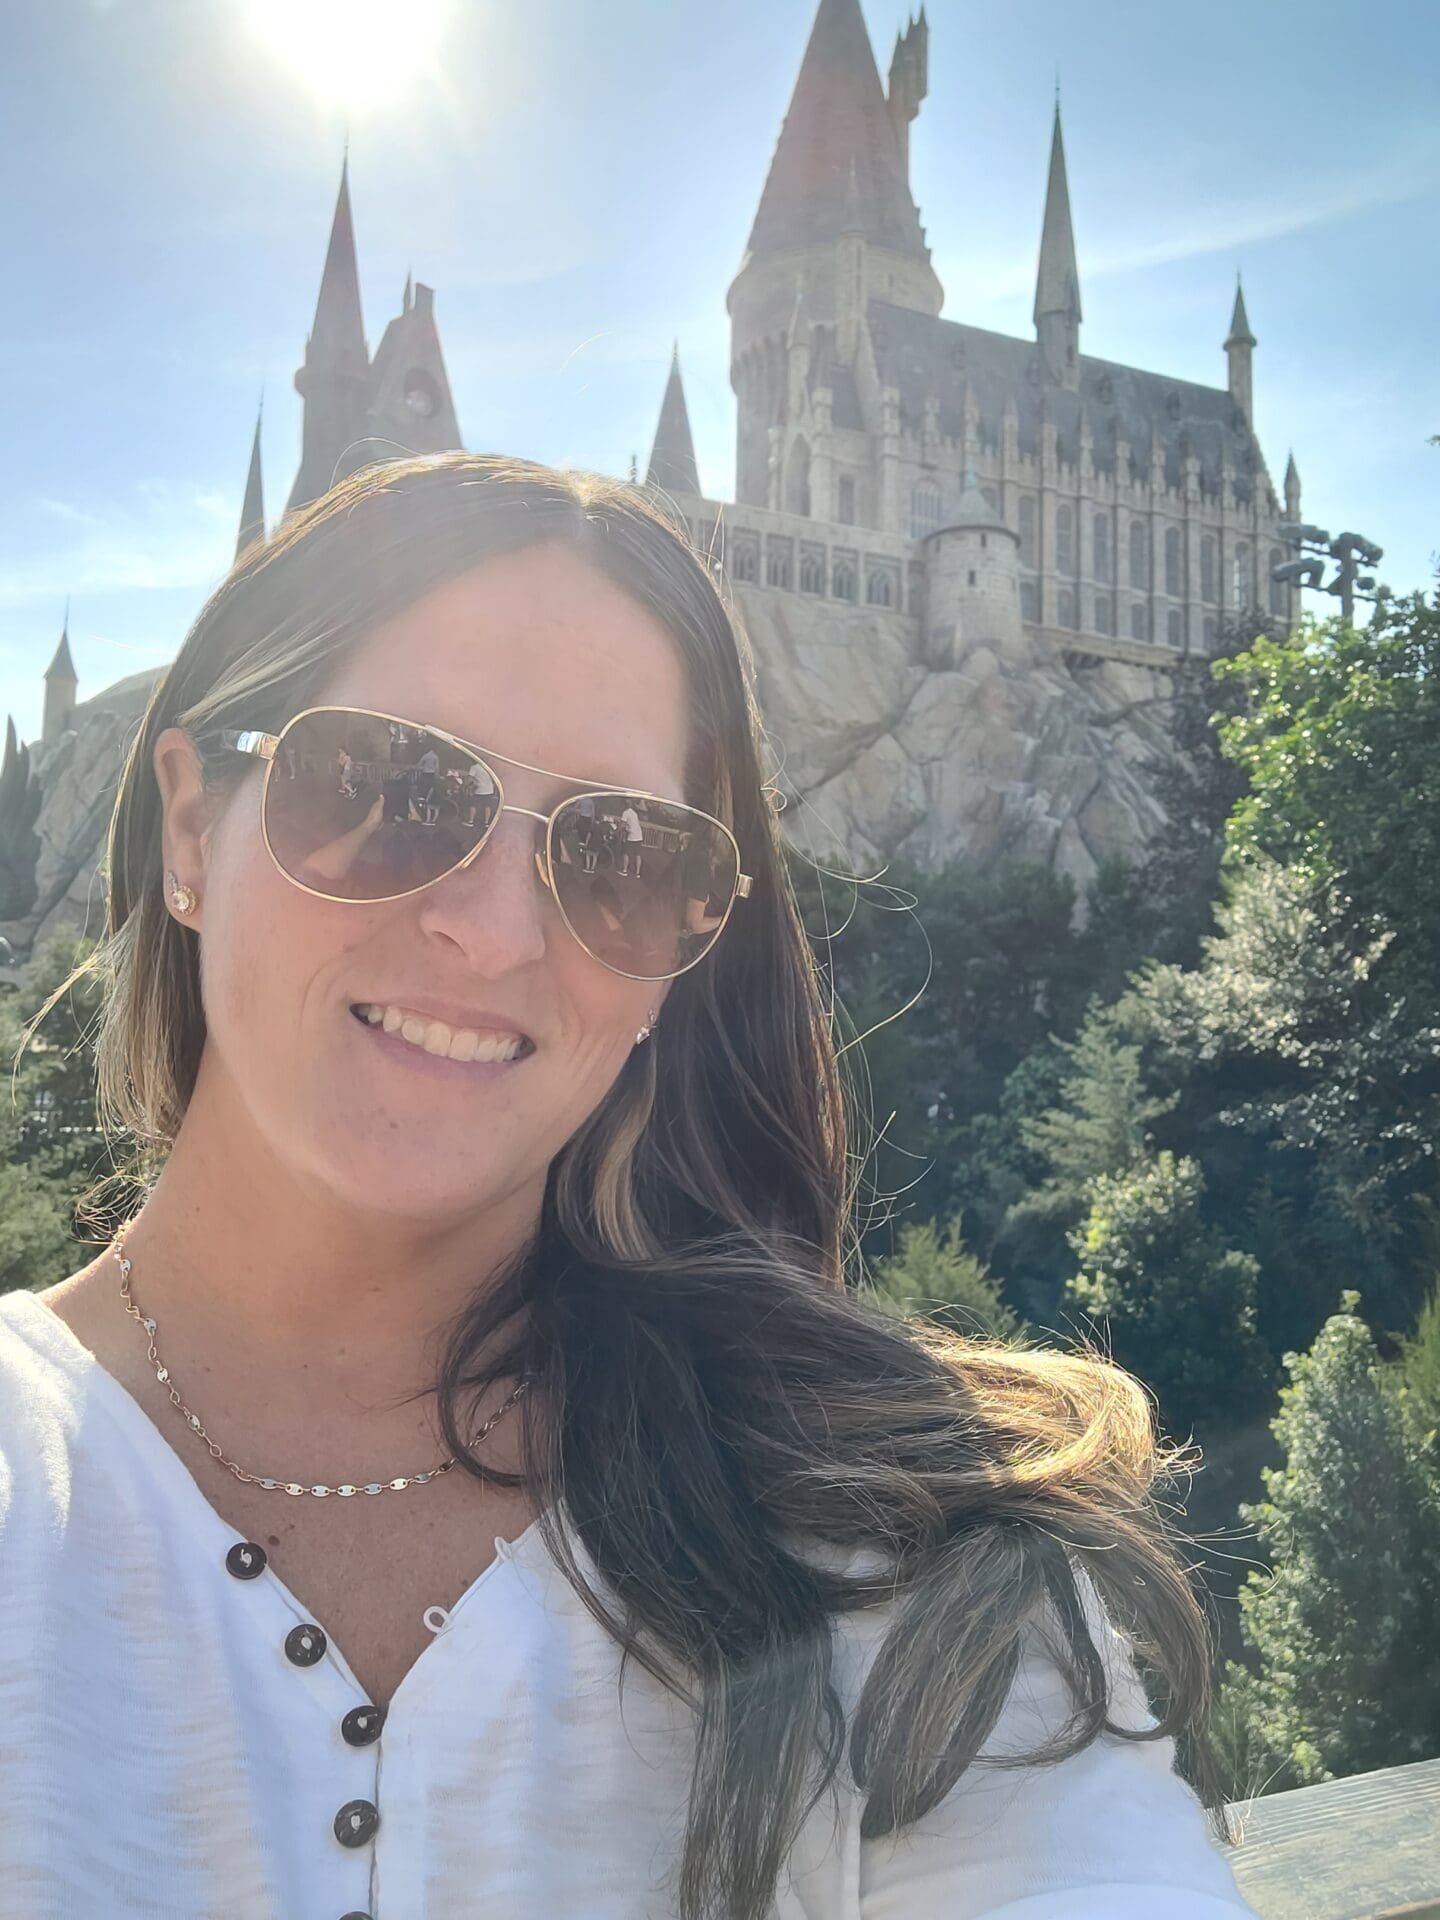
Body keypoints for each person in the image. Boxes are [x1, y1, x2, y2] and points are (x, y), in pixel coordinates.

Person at [0, 453, 1259, 1919]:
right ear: (192, 828)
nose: (490, 930)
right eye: (394, 788)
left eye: (620, 855)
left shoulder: (904, 1559)